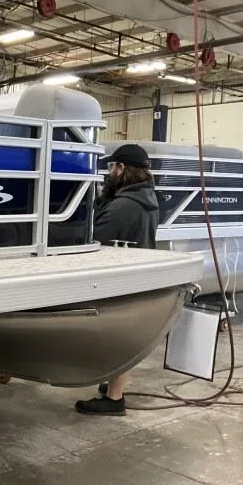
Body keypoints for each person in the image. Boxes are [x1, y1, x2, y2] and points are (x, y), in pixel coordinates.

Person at [74, 143, 159, 416]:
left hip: (122, 279)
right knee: (126, 337)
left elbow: (93, 237)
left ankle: (114, 400)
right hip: (139, 274)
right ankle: (113, 385)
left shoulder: (124, 206)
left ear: (122, 168)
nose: (109, 172)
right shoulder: (145, 198)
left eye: (112, 167)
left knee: (118, 339)